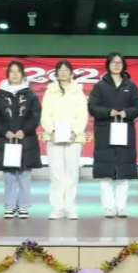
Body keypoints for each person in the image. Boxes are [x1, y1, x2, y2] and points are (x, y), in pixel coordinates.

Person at [89, 53, 138, 219]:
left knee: (124, 171)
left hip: (125, 132)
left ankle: (121, 206)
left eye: (119, 62)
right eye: (113, 62)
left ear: (124, 65)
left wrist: (127, 112)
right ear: (108, 65)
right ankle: (109, 207)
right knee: (105, 172)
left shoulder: (131, 86)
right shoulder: (99, 86)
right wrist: (108, 112)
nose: (117, 65)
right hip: (105, 132)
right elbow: (92, 107)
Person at [0, 61, 42, 220]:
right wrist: (5, 131)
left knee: (25, 175)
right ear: (8, 74)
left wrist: (23, 130)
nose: (14, 74)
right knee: (9, 175)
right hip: (6, 140)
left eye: (17, 71)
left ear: (23, 74)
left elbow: (35, 115)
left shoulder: (30, 94)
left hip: (26, 140)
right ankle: (10, 206)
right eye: (12, 71)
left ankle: (24, 206)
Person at [41, 60, 89, 220]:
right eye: (60, 70)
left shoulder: (78, 90)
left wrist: (75, 132)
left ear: (71, 73)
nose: (63, 72)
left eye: (66, 70)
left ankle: (70, 206)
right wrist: (51, 130)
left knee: (72, 172)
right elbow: (45, 113)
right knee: (56, 173)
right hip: (54, 136)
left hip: (74, 137)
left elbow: (83, 114)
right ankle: (57, 207)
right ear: (56, 73)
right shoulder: (50, 90)